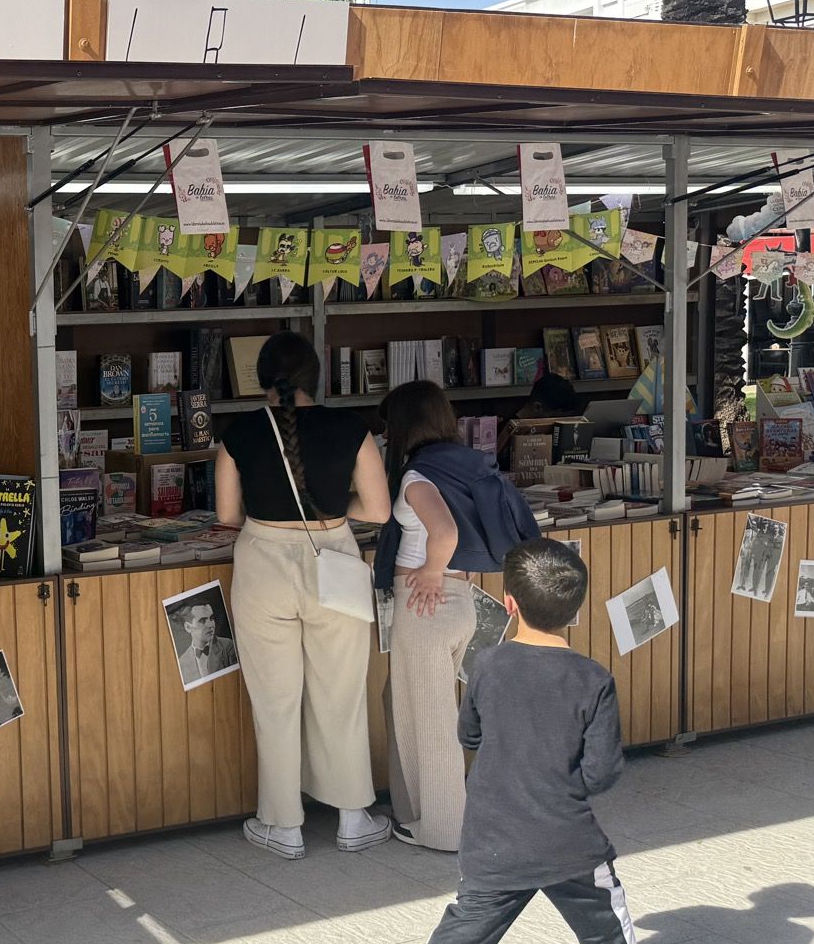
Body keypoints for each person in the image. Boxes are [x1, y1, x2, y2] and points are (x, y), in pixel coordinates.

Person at [388, 540, 676, 944]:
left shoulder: (488, 666)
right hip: (566, 839)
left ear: (509, 603)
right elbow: (602, 773)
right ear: (577, 609)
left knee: (465, 928)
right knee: (606, 918)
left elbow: (468, 733)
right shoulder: (592, 680)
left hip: (493, 834)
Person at [215, 331, 394, 860]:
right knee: (340, 695)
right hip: (333, 558)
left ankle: (282, 824)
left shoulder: (238, 431)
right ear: (319, 377)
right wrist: (332, 510)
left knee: (275, 702)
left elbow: (227, 515)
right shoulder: (352, 428)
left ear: (261, 379)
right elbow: (380, 510)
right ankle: (352, 818)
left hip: (263, 565)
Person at [373, 381, 541, 852]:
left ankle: (446, 830)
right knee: (408, 704)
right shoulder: (464, 465)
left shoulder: (417, 476)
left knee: (429, 721)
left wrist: (428, 571)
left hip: (425, 602)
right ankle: (415, 813)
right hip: (458, 602)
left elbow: (443, 532)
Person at [170, 598, 237, 684]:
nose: (210, 625)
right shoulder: (182, 663)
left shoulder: (228, 646)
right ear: (188, 627)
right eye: (202, 621)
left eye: (212, 618)